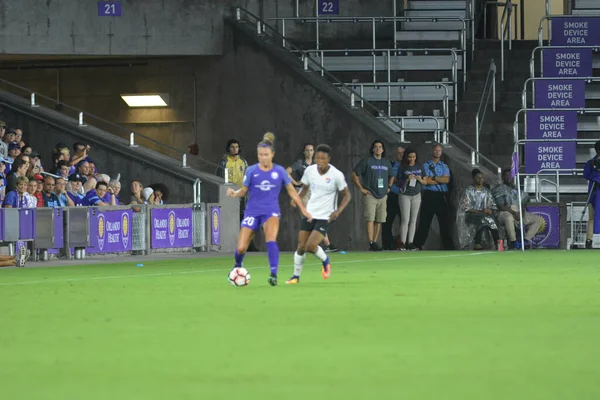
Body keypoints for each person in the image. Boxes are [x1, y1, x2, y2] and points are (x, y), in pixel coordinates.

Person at [226, 132, 312, 286]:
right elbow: (244, 191)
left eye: (266, 154)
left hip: (270, 212)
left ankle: (273, 274)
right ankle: (237, 268)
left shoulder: (279, 171)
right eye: (260, 155)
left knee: (270, 239)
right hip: (252, 212)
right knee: (240, 248)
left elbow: (292, 191)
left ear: (272, 154)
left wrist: (303, 209)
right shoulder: (251, 170)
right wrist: (235, 193)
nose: (263, 157)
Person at [286, 144, 352, 284]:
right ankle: (295, 277)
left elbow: (347, 195)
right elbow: (305, 188)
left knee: (310, 246)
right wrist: (296, 199)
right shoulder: (309, 171)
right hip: (310, 213)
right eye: (317, 158)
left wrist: (338, 211)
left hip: (326, 216)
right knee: (301, 246)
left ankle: (325, 260)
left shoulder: (336, 175)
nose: (319, 161)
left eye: (323, 158)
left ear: (328, 159)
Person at [287, 143, 338, 252]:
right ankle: (317, 244)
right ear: (304, 152)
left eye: (311, 150)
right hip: (303, 191)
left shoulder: (316, 163)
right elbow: (286, 172)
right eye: (307, 150)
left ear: (313, 152)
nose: (309, 152)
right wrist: (296, 182)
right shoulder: (300, 163)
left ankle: (321, 244)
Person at [352, 140, 395, 251]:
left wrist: (389, 186)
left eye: (380, 147)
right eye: (376, 147)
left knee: (379, 219)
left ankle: (375, 242)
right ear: (372, 149)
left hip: (383, 194)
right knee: (370, 218)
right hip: (370, 193)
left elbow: (392, 176)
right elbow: (355, 173)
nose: (378, 149)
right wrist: (361, 188)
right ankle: (371, 241)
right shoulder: (367, 161)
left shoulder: (386, 163)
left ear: (383, 149)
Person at [413, 144, 453, 250]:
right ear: (432, 151)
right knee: (425, 221)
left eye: (439, 150)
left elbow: (446, 180)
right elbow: (425, 181)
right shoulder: (425, 166)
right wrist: (438, 179)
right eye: (435, 150)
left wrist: (434, 177)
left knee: (444, 222)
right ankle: (417, 244)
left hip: (441, 195)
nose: (437, 152)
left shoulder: (444, 166)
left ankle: (447, 245)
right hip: (429, 195)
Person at [492, 168, 543, 249]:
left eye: (510, 176)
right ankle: (513, 241)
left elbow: (523, 204)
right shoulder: (499, 189)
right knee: (508, 218)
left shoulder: (518, 189)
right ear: (502, 177)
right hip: (504, 213)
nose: (508, 177)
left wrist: (521, 214)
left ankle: (525, 241)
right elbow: (501, 207)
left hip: (518, 213)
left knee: (538, 220)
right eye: (506, 176)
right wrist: (514, 213)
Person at [459, 169, 499, 250]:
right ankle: (477, 243)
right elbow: (465, 207)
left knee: (492, 221)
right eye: (478, 177)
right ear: (474, 179)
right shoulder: (469, 190)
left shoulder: (487, 191)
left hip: (485, 215)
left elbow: (493, 205)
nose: (480, 179)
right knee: (483, 219)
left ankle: (498, 242)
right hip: (471, 215)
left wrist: (490, 210)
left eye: (482, 177)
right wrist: (480, 211)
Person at [396, 149, 425, 251]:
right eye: (410, 157)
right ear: (406, 157)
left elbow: (425, 180)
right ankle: (402, 242)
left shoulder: (420, 166)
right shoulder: (403, 167)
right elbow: (398, 183)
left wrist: (419, 179)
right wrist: (407, 179)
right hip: (405, 195)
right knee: (405, 219)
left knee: (414, 220)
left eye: (413, 157)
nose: (412, 159)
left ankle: (411, 242)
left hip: (417, 194)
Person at [382, 144, 405, 250]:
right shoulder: (391, 165)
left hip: (405, 197)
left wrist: (397, 179)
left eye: (402, 153)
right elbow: (386, 178)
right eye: (398, 153)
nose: (401, 155)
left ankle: (403, 243)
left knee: (405, 221)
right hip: (392, 196)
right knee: (387, 222)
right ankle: (387, 245)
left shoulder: (409, 166)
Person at [583, 140, 600, 249]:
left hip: (593, 192)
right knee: (591, 217)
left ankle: (589, 239)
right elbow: (586, 175)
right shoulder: (591, 163)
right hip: (593, 193)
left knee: (591, 218)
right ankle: (589, 240)